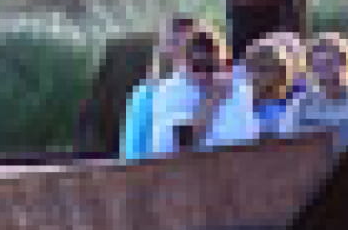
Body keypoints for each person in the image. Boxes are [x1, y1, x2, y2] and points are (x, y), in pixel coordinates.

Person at [148, 24, 259, 156]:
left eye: (210, 66)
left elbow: (245, 136)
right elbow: (178, 143)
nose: (203, 74)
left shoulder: (239, 86)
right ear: (185, 63)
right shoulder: (170, 92)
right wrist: (212, 100)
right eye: (197, 66)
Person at [119, 14, 194, 161]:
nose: (178, 49)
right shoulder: (146, 92)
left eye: (186, 43)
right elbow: (133, 149)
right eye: (173, 42)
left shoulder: (205, 87)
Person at [282, 33, 348, 135]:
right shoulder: (302, 103)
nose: (324, 60)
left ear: (345, 60)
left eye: (332, 55)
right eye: (318, 56)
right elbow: (291, 136)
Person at [242, 39, 300, 138]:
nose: (257, 76)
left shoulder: (303, 102)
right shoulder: (240, 108)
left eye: (263, 68)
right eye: (253, 69)